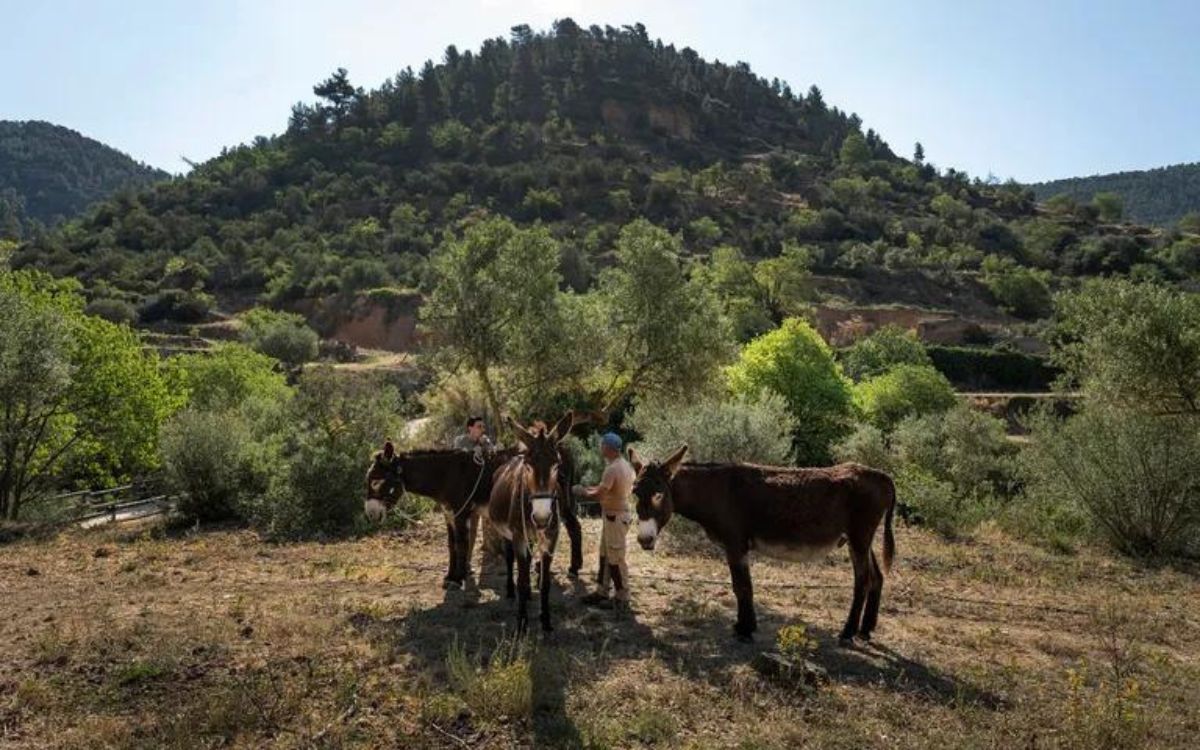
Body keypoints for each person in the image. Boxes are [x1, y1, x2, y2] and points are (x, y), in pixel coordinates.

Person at [575, 432, 637, 613]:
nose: (600, 448)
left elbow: (600, 494)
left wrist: (582, 492)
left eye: (602, 445)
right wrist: (588, 489)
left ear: (609, 448)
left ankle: (622, 597)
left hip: (614, 517)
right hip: (615, 516)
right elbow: (604, 489)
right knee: (605, 555)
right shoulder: (624, 465)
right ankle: (602, 591)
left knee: (616, 558)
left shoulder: (612, 469)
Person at [365, 440, 402, 521]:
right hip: (373, 498)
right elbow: (372, 484)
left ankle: (389, 509)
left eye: (390, 459)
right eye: (386, 459)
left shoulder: (395, 461)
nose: (388, 461)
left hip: (389, 490)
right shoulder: (376, 468)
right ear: (383, 456)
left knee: (397, 484)